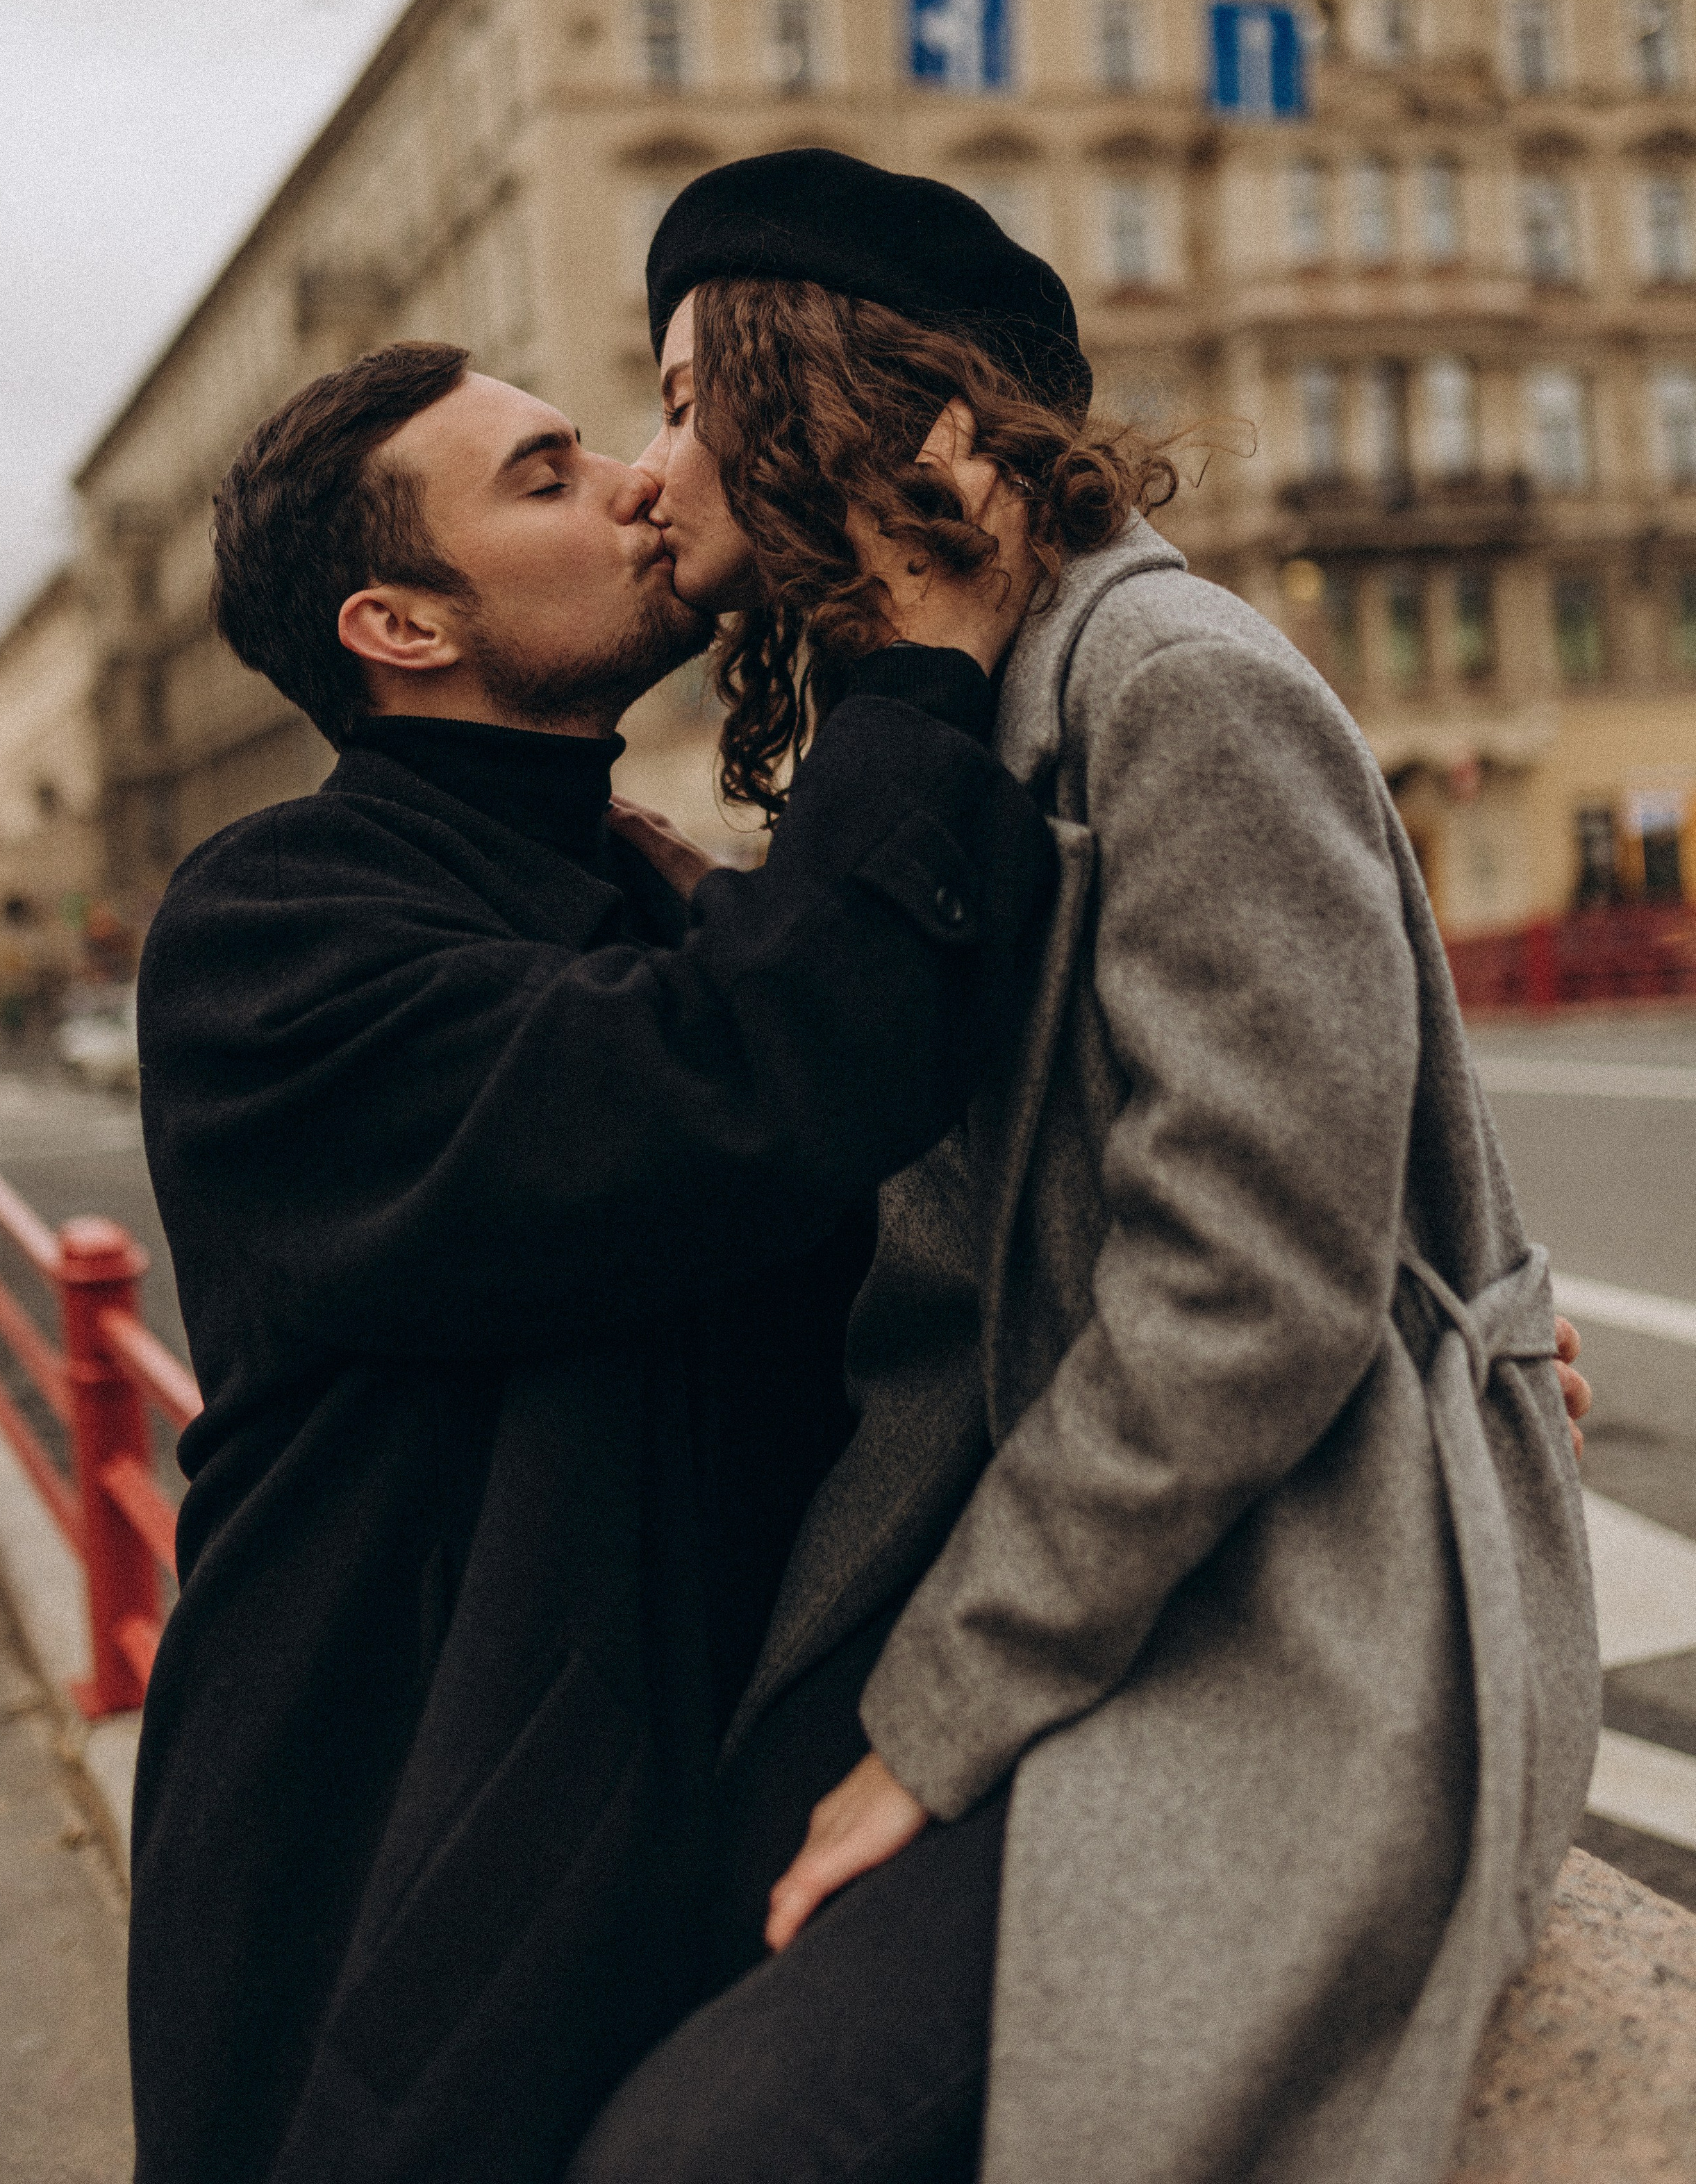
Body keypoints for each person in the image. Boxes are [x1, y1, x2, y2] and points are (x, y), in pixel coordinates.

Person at [566, 149, 1602, 2184]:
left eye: (687, 402)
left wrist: (935, 1725)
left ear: (821, 398)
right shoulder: (959, 708)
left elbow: (1255, 1291)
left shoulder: (1173, 686)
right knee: (643, 1939)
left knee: (709, 2150)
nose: (645, 468)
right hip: (1065, 1541)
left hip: (1297, 1596)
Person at [126, 337, 1059, 2184]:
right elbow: (729, 1095)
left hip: (675, 1833)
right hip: (393, 1872)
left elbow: (961, 1254)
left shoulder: (650, 893)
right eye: (546, 477)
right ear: (401, 626)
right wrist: (918, 674)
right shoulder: (269, 933)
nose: (641, 481)